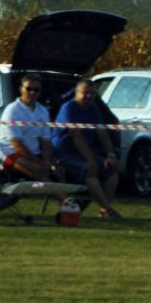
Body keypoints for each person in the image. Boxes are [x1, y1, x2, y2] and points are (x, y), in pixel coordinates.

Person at [53, 79, 121, 219]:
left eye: (92, 93)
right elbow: (77, 136)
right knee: (89, 169)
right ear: (76, 93)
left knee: (112, 169)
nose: (89, 96)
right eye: (85, 93)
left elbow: (102, 133)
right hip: (65, 154)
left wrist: (110, 154)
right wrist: (90, 160)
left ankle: (104, 210)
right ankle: (108, 209)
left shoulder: (93, 108)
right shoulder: (69, 108)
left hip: (84, 153)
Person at [0, 73, 55, 181]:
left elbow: (46, 141)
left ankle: (64, 194)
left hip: (34, 154)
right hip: (10, 154)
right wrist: (40, 163)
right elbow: (17, 145)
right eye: (29, 89)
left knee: (59, 169)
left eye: (36, 89)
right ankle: (64, 198)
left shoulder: (43, 111)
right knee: (38, 169)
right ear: (21, 89)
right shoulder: (12, 110)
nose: (32, 92)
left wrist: (47, 161)